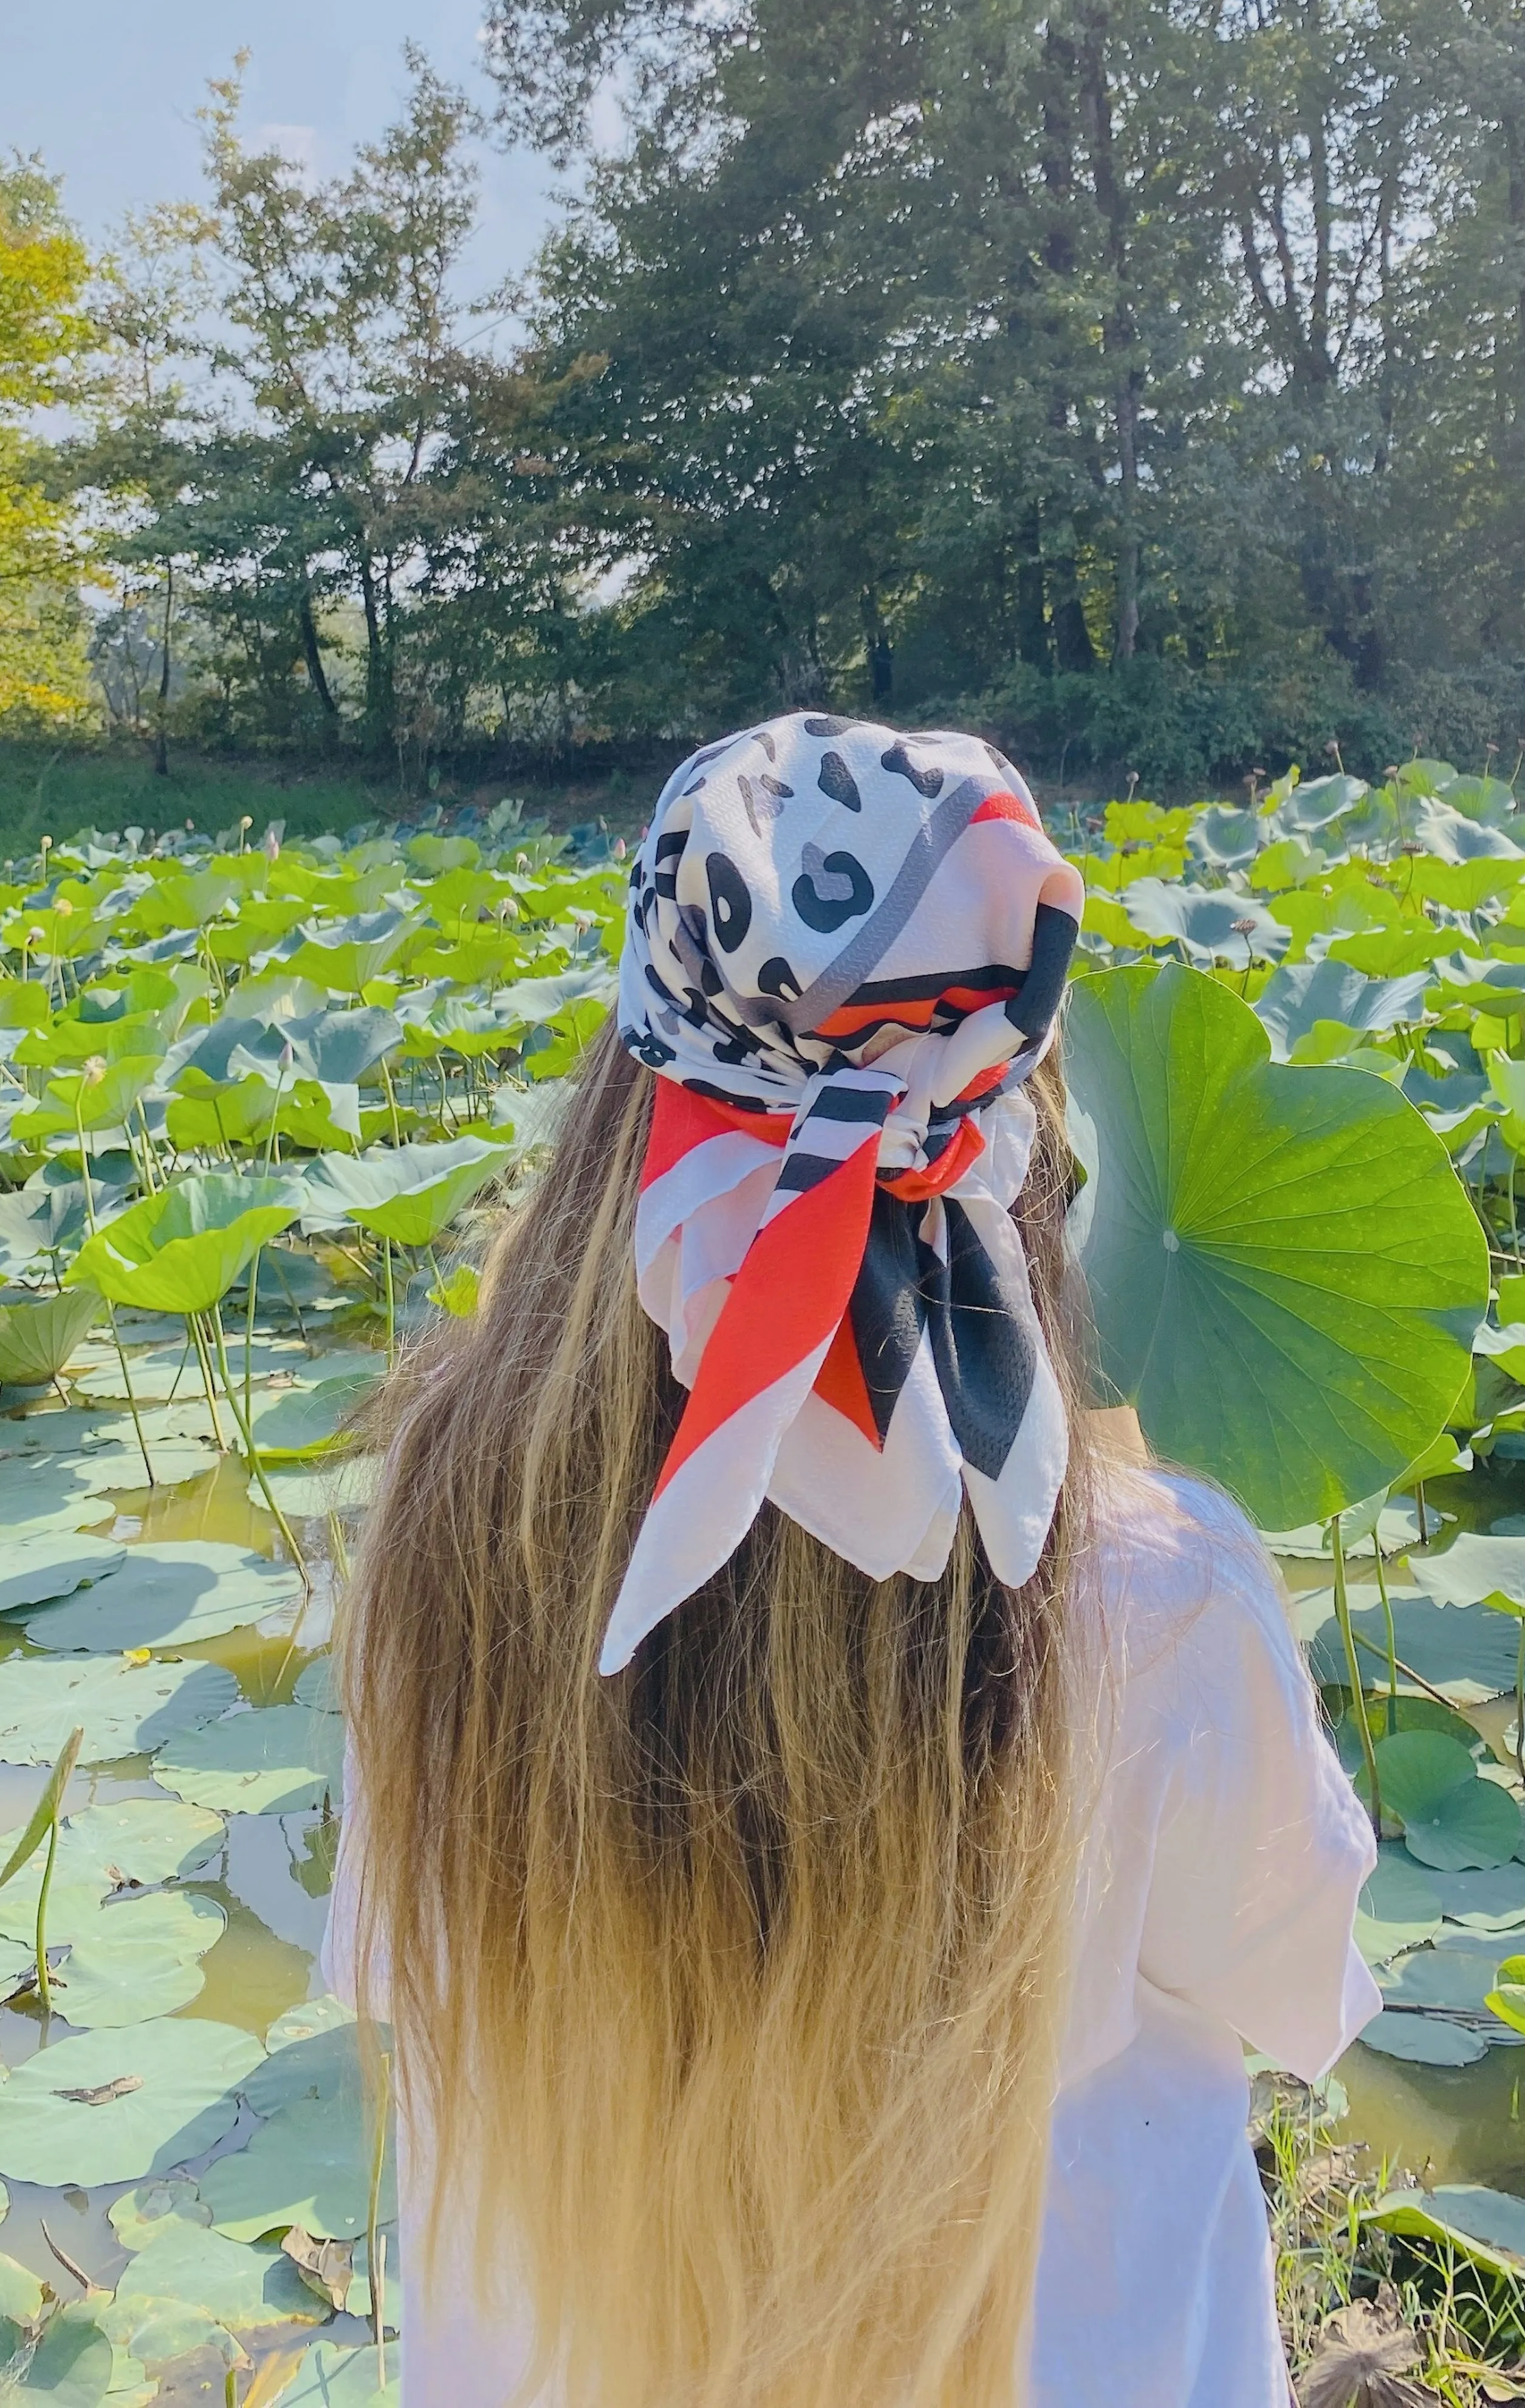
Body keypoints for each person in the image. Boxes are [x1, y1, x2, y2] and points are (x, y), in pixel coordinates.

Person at [325, 715, 1378, 2408]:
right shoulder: (1155, 1602)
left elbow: (398, 1967)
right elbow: (1305, 1990)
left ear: (629, 1087)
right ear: (1017, 1114)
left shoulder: (447, 1550)